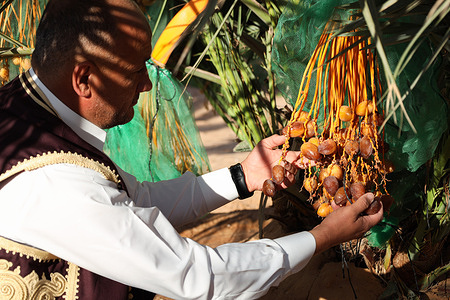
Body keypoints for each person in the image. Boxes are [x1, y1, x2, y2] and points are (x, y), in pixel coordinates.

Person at [0, 0, 383, 299]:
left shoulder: (24, 111)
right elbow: (197, 276)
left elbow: (130, 201)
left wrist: (242, 177)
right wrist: (320, 238)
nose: (147, 85)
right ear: (85, 79)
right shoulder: (54, 185)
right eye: (136, 70)